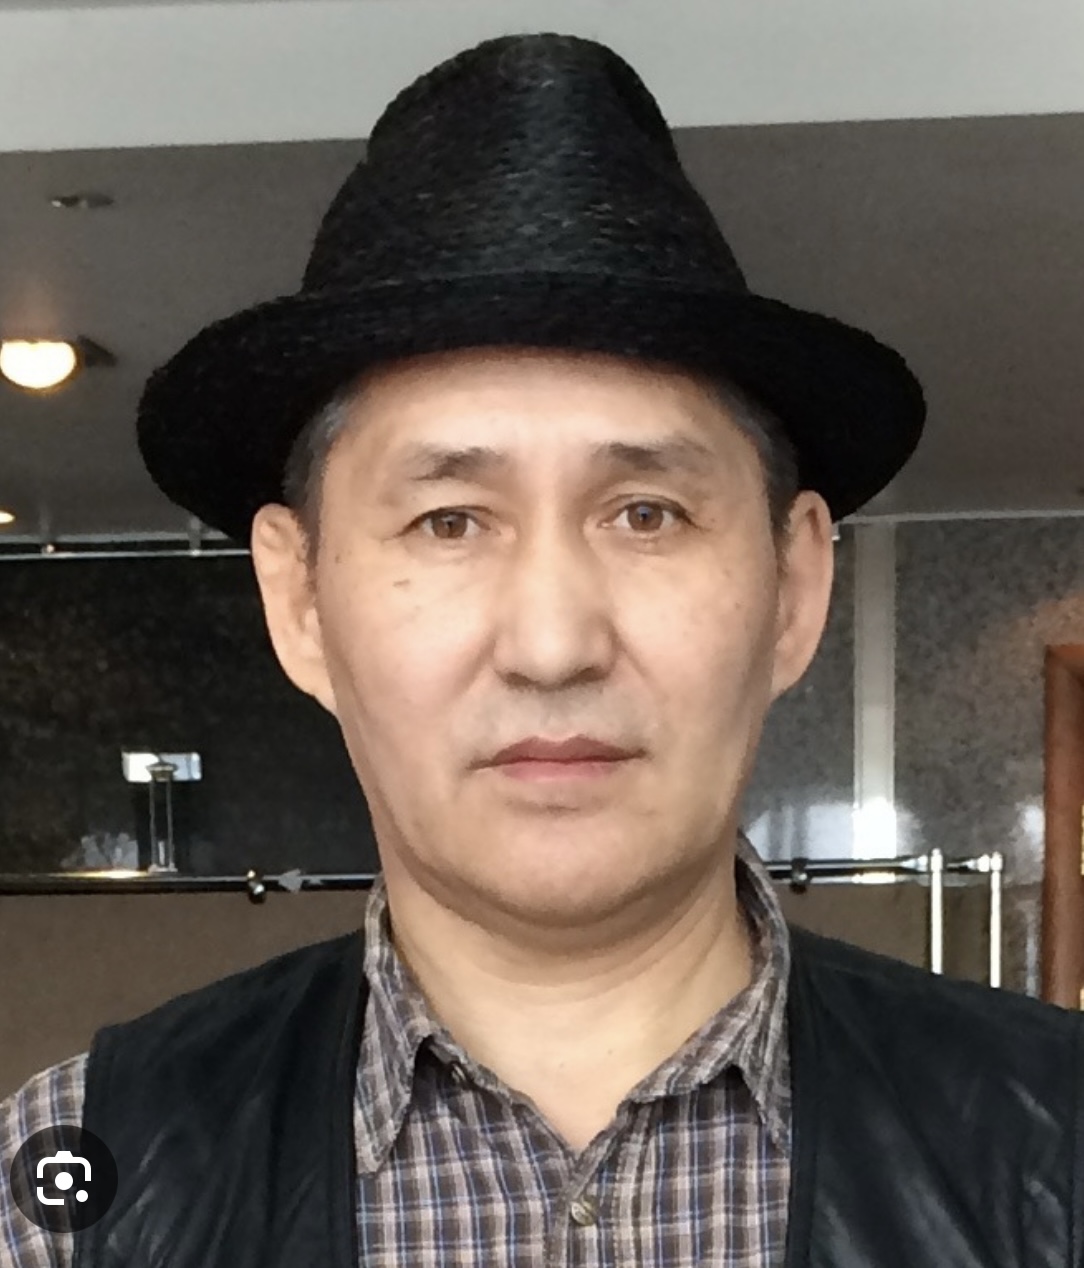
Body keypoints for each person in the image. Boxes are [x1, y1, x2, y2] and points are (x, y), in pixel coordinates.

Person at [1, 32, 1080, 1268]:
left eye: (646, 513)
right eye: (449, 520)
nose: (554, 644)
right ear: (299, 600)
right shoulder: (71, 1192)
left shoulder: (1057, 1156)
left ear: (794, 585)